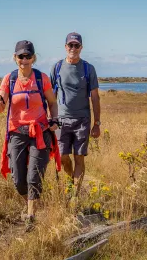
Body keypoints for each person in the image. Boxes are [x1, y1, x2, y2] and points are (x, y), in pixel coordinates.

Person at [0, 40, 60, 230]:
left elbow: (52, 103)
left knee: (34, 176)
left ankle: (31, 216)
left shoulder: (41, 78)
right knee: (19, 180)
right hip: (17, 132)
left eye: (28, 56)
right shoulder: (9, 79)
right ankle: (30, 202)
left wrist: (54, 119)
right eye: (21, 56)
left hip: (40, 131)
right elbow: (2, 106)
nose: (24, 59)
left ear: (34, 58)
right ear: (15, 58)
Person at [50, 32, 100, 198]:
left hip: (82, 120)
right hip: (62, 120)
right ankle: (71, 181)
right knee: (63, 157)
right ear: (65, 47)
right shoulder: (57, 67)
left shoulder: (88, 68)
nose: (73, 48)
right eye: (70, 45)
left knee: (79, 157)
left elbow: (94, 97)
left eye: (76, 45)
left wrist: (97, 124)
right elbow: (50, 96)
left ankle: (74, 197)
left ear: (81, 48)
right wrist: (50, 119)